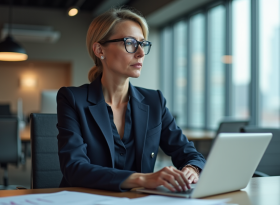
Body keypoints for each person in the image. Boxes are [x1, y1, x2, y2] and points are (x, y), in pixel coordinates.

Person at [56, 8, 205, 192]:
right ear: (99, 50)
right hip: (85, 204)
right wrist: (142, 179)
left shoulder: (154, 101)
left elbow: (189, 153)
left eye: (143, 44)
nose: (141, 52)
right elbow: (74, 169)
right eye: (130, 43)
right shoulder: (72, 99)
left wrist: (192, 168)